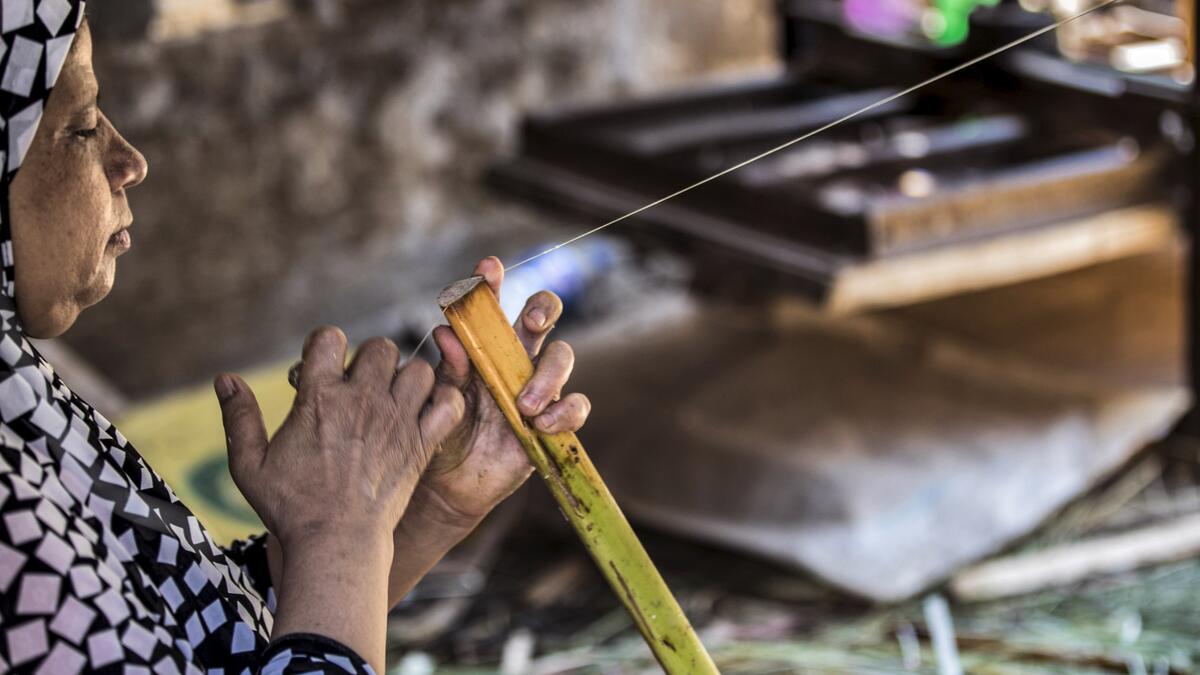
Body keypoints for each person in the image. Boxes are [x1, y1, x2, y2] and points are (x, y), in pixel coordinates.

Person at [0, 3, 590, 672]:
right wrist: (340, 534)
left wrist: (426, 506)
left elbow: (215, 637)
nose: (130, 161)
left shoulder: (21, 394)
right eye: (80, 126)